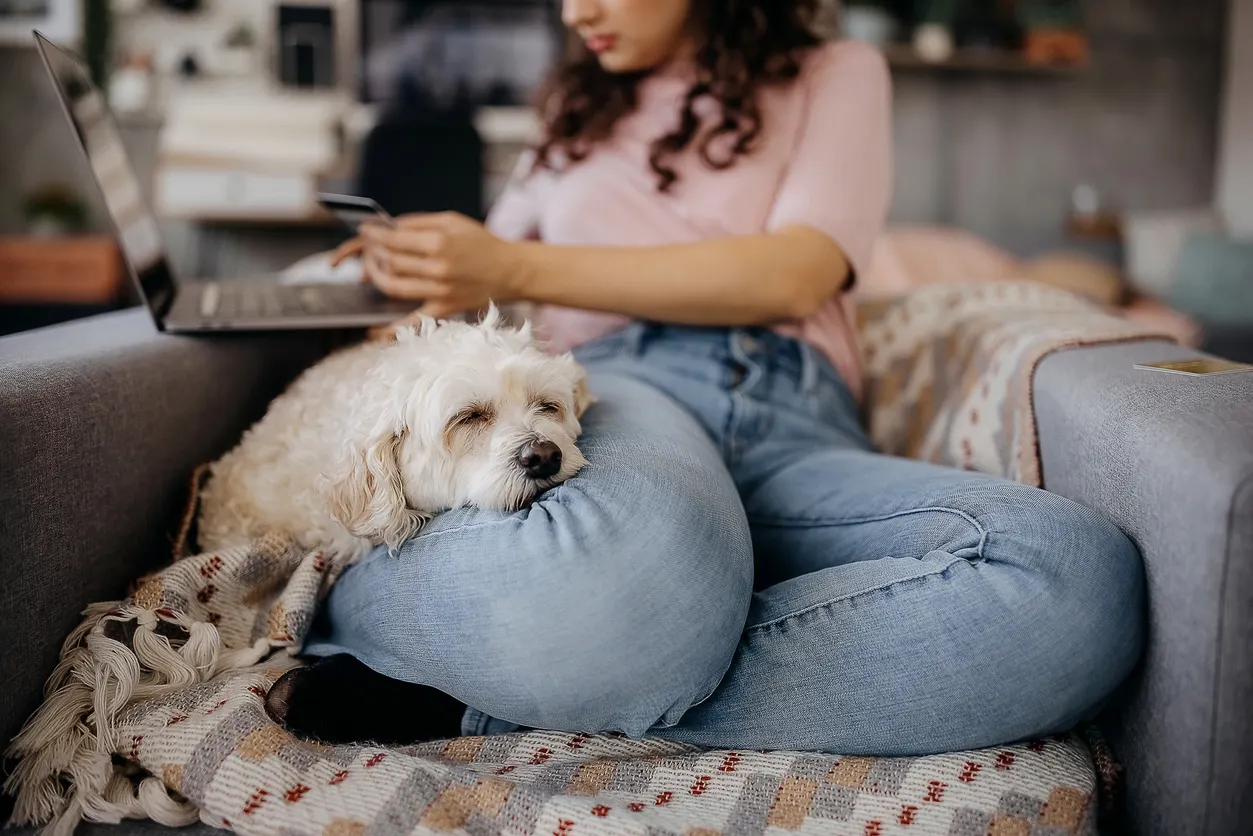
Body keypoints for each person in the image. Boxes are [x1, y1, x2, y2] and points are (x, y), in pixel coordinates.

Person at [266, 0, 1145, 756]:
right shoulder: (574, 114)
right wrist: (420, 269)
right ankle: (461, 625)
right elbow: (495, 293)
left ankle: (497, 691)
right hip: (620, 394)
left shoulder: (835, 72)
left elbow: (797, 271)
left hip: (792, 419)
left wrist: (517, 264)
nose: (573, 13)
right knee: (636, 566)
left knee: (1075, 575)